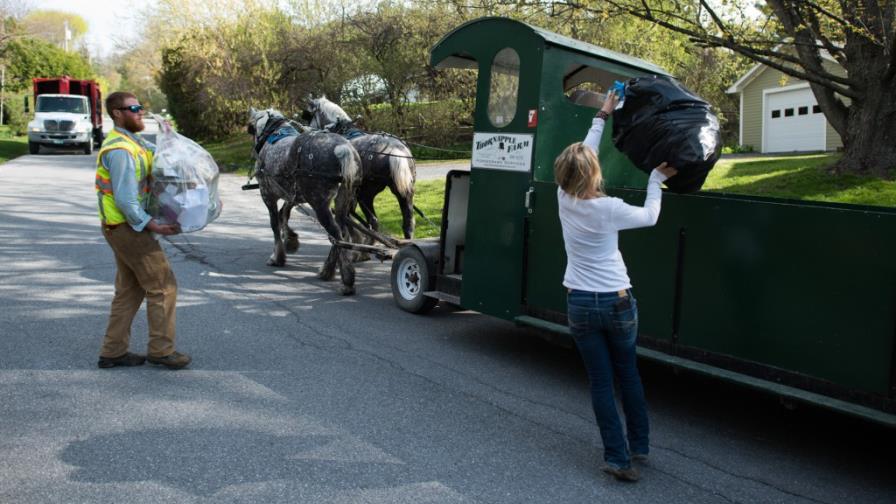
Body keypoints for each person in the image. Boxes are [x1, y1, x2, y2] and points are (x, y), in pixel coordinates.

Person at [555, 91, 677, 482]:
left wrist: (602, 117)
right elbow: (650, 217)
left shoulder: (563, 197)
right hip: (618, 304)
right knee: (629, 375)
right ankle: (638, 446)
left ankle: (617, 458)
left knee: (601, 383)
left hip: (580, 306)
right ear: (594, 173)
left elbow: (582, 156)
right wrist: (656, 179)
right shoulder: (611, 209)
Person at [95, 91, 191, 370]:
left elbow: (158, 159)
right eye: (133, 108)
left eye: (140, 107)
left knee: (129, 290)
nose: (139, 111)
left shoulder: (132, 142)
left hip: (120, 227)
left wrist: (169, 137)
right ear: (117, 113)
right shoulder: (121, 151)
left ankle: (113, 351)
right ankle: (161, 350)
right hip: (128, 227)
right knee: (163, 286)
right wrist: (154, 225)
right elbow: (125, 200)